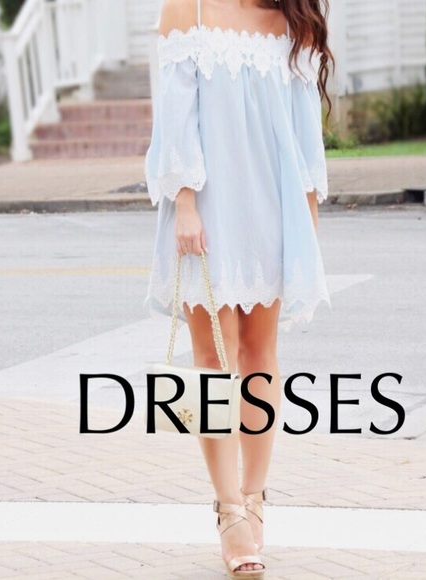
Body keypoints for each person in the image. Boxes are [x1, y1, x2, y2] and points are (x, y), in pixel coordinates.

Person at [143, 0, 334, 576]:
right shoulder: (189, 10)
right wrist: (184, 203)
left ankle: (254, 499)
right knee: (213, 358)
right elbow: (176, 118)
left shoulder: (290, 21)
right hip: (208, 209)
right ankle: (228, 510)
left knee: (259, 354)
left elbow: (303, 134)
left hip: (272, 208)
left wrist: (307, 225)